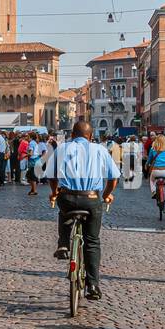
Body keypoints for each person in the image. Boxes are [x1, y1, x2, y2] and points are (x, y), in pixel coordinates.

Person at [44, 120, 119, 302]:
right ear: (90, 136)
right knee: (92, 241)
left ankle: (63, 243)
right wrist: (106, 195)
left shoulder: (61, 149)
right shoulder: (100, 150)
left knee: (63, 211)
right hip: (92, 198)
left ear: (71, 136)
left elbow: (51, 175)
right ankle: (93, 285)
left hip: (68, 197)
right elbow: (113, 177)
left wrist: (54, 193)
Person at [147, 135, 165, 213]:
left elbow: (149, 160)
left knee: (151, 180)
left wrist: (147, 165)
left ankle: (154, 192)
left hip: (156, 171)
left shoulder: (153, 149)